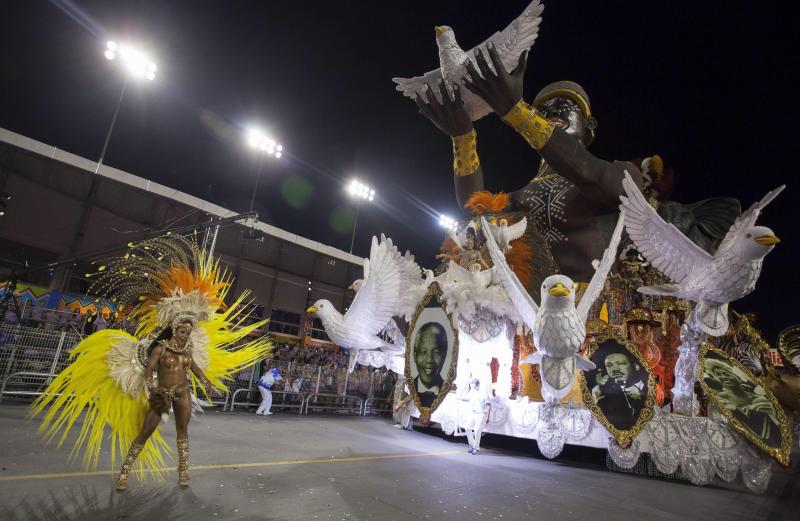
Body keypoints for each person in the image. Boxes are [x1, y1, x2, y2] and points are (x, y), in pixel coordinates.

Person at [414, 45, 739, 282]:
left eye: (563, 107)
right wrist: (462, 135)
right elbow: (478, 210)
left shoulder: (619, 173)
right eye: (543, 111)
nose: (551, 114)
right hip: (539, 322)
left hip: (607, 320)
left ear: (589, 126)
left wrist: (516, 111)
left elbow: (590, 174)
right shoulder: (521, 197)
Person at [704, 357, 782, 447]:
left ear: (733, 374)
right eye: (718, 375)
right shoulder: (723, 400)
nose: (723, 377)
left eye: (725, 373)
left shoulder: (752, 388)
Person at [590, 345, 648, 430]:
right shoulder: (599, 391)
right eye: (609, 365)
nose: (614, 369)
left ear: (635, 366)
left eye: (620, 364)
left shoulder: (648, 386)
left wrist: (641, 395)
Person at [413, 321, 448, 407]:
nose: (429, 360)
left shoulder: (447, 390)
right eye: (423, 352)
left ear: (444, 357)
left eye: (436, 352)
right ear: (414, 356)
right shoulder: (410, 387)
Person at [460, 378, 490, 455]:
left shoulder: (484, 394)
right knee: (467, 427)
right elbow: (467, 399)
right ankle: (472, 445)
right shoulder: (472, 393)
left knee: (477, 431)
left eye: (473, 386)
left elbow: (488, 405)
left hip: (481, 414)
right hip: (473, 414)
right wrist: (460, 398)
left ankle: (476, 448)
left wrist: (487, 417)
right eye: (471, 386)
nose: (472, 388)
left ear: (478, 385)